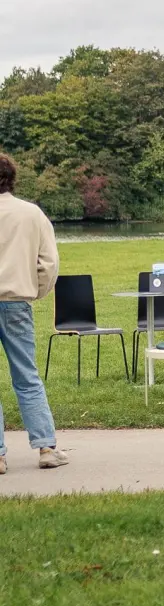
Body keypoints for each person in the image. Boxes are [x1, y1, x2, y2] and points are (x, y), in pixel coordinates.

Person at [0, 153, 67, 473]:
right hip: (16, 301)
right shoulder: (31, 213)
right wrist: (34, 290)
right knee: (27, 377)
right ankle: (45, 447)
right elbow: (49, 263)